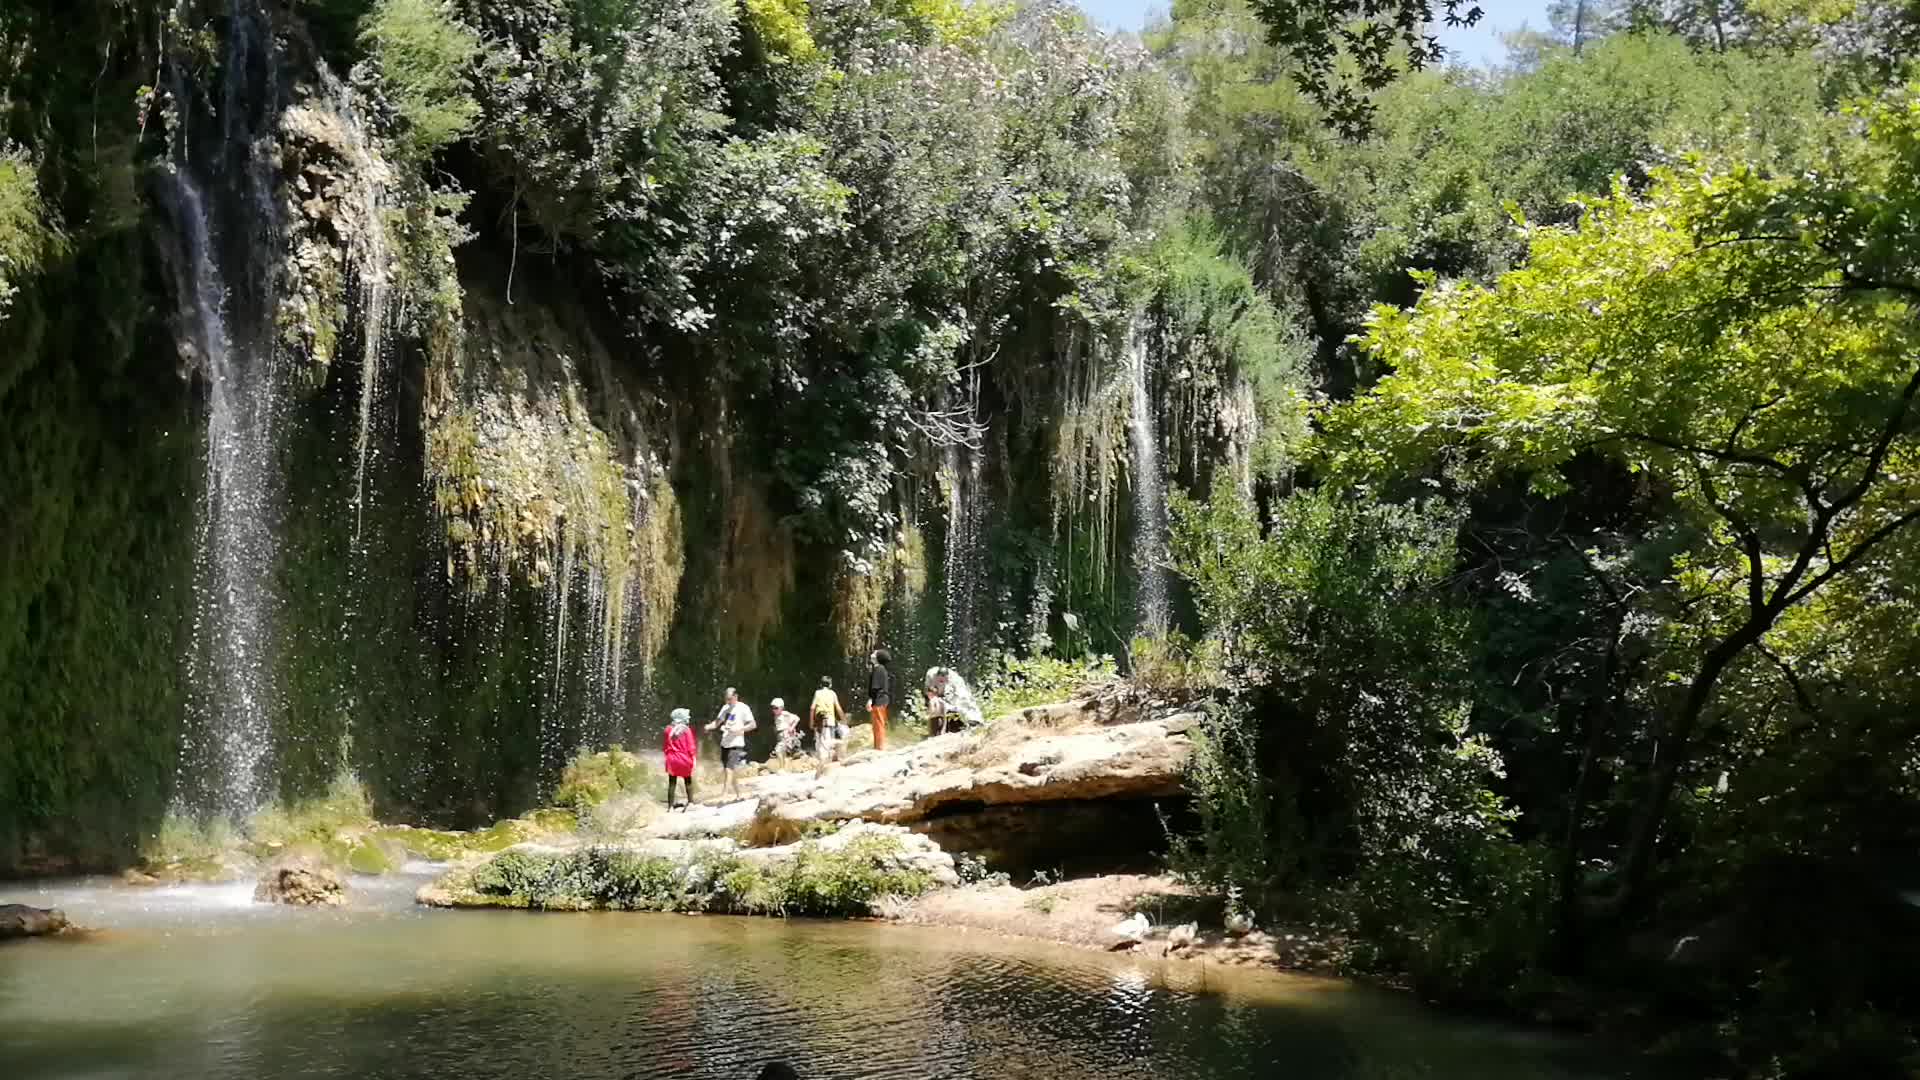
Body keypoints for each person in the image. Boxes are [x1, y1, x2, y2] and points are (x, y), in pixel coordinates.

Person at [705, 687, 756, 800]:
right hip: (725, 742)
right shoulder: (725, 708)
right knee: (729, 770)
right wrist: (708, 726)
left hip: (737, 742)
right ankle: (739, 794)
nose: (727, 701)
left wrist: (740, 729)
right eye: (726, 699)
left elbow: (753, 725)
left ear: (736, 697)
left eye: (729, 699)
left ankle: (724, 794)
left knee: (729, 768)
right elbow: (717, 723)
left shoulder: (743, 708)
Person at [925, 666, 983, 737]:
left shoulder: (955, 680)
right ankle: (935, 732)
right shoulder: (931, 675)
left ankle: (974, 721)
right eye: (940, 679)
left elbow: (965, 698)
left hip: (952, 695)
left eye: (943, 680)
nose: (941, 680)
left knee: (960, 705)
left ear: (947, 678)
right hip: (937, 694)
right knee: (936, 706)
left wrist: (973, 717)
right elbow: (929, 691)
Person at [809, 675, 846, 778]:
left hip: (819, 723)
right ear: (830, 684)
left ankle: (819, 775)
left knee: (822, 747)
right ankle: (823, 773)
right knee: (827, 746)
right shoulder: (832, 693)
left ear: (821, 684)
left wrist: (811, 722)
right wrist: (844, 720)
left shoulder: (817, 693)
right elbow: (838, 708)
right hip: (830, 722)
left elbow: (812, 708)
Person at [662, 707, 697, 810]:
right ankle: (690, 802)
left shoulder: (667, 729)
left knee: (672, 783)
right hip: (684, 759)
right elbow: (691, 746)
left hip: (672, 759)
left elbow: (665, 746)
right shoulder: (686, 730)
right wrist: (693, 758)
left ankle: (670, 807)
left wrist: (667, 756)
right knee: (688, 780)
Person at [866, 648, 892, 751]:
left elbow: (875, 687)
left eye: (874, 653)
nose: (872, 654)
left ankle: (879, 747)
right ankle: (878, 746)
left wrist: (870, 700)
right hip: (882, 699)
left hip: (879, 700)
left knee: (878, 724)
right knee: (878, 723)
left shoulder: (878, 669)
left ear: (877, 657)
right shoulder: (881, 669)